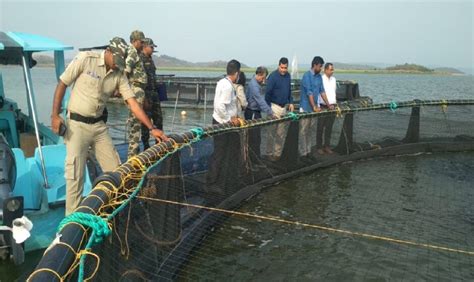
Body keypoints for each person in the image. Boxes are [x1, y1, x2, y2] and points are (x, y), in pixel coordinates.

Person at [50, 37, 168, 215]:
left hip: (98, 127)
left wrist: (152, 128)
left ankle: (110, 214)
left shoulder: (119, 73)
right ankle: (70, 226)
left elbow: (133, 104)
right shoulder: (85, 59)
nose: (118, 65)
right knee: (75, 177)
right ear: (108, 51)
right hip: (77, 126)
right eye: (117, 61)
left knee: (117, 173)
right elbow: (62, 84)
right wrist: (55, 115)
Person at [299, 56, 329, 157]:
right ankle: (303, 153)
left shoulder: (319, 77)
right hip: (306, 108)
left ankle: (308, 151)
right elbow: (309, 93)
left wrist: (329, 104)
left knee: (310, 131)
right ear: (315, 65)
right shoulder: (306, 76)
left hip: (314, 109)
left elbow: (322, 91)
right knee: (303, 131)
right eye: (320, 66)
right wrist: (315, 107)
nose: (321, 69)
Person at [264, 57, 294, 160]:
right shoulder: (272, 77)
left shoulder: (288, 76)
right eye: (282, 67)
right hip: (274, 106)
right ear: (278, 66)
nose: (283, 70)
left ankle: (277, 155)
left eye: (285, 68)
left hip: (284, 107)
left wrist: (291, 102)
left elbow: (289, 90)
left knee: (281, 133)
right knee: (271, 132)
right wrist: (269, 110)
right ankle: (268, 153)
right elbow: (267, 94)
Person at [125, 30, 148, 159]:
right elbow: (126, 71)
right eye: (141, 42)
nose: (142, 44)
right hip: (135, 89)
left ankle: (134, 152)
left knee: (137, 122)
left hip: (139, 90)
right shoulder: (132, 53)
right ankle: (132, 156)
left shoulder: (136, 53)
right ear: (134, 41)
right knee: (135, 122)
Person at [140, 38, 164, 150]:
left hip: (154, 94)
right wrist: (144, 97)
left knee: (158, 119)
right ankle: (146, 146)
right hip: (146, 94)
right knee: (146, 121)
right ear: (145, 46)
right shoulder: (139, 60)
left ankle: (159, 144)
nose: (153, 49)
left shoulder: (151, 59)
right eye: (151, 47)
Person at [212, 60, 241, 125]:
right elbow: (220, 106)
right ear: (237, 73)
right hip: (223, 123)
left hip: (219, 120)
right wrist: (229, 119)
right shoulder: (228, 86)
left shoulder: (222, 81)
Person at [317, 62, 337, 154]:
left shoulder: (334, 79)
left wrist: (334, 104)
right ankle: (319, 147)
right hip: (323, 106)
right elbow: (318, 93)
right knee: (320, 127)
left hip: (333, 106)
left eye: (333, 69)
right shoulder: (320, 79)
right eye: (330, 69)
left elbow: (334, 92)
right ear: (325, 70)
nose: (332, 71)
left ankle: (327, 146)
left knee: (329, 127)